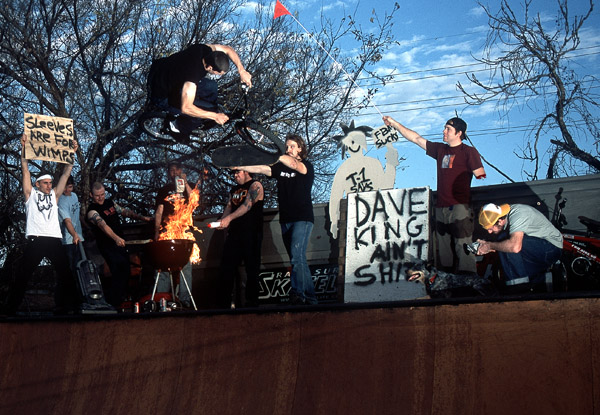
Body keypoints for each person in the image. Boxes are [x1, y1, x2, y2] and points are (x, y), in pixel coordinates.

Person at [382, 115, 486, 274]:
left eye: (448, 129)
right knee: (444, 253)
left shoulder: (468, 152)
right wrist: (394, 124)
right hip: (440, 209)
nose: (444, 131)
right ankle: (446, 286)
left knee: (463, 248)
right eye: (444, 128)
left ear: (459, 133)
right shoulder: (440, 150)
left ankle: (468, 285)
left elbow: (480, 173)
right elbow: (416, 138)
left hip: (460, 208)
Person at [237, 134, 317, 305]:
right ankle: (310, 298)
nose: (289, 149)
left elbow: (294, 164)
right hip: (286, 220)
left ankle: (298, 294)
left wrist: (278, 154)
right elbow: (262, 169)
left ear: (300, 149)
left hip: (302, 218)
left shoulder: (306, 166)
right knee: (298, 259)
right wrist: (239, 164)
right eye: (287, 146)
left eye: (292, 146)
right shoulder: (280, 168)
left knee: (297, 255)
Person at [5, 134, 79, 315]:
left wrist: (72, 153)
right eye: (45, 183)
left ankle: (73, 307)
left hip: (54, 240)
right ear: (37, 184)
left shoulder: (54, 196)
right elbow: (25, 171)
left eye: (49, 183)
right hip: (36, 240)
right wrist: (23, 149)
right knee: (24, 274)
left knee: (66, 274)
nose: (48, 185)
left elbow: (65, 174)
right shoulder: (31, 195)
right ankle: (9, 309)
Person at [148, 43, 253, 140]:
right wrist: (214, 116)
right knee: (200, 112)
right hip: (162, 94)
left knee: (211, 86)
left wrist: (242, 70)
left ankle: (209, 109)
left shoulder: (204, 50)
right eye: (218, 73)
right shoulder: (192, 76)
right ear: (210, 67)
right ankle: (176, 127)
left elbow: (227, 49)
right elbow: (187, 108)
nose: (219, 75)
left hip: (160, 68)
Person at [86, 182, 153, 308]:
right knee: (117, 271)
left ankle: (122, 302)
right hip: (108, 246)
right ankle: (112, 303)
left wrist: (144, 218)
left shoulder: (110, 203)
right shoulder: (91, 211)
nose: (100, 198)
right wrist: (116, 238)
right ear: (91, 195)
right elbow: (102, 225)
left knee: (127, 271)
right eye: (97, 196)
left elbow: (124, 212)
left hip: (120, 244)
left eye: (102, 194)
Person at [476, 203, 563, 292]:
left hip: (551, 248)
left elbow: (515, 247)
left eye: (490, 228)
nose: (489, 232)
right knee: (504, 245)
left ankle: (518, 289)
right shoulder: (504, 214)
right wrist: (488, 247)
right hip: (539, 248)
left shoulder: (518, 214)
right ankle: (543, 281)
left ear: (500, 221)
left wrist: (490, 245)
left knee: (506, 241)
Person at [214, 169, 264, 308]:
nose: (235, 175)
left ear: (247, 172)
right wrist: (222, 221)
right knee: (227, 267)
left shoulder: (256, 185)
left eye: (238, 172)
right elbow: (229, 207)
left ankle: (251, 303)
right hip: (235, 234)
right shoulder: (234, 189)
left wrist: (229, 218)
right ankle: (223, 304)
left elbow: (247, 206)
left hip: (251, 232)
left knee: (251, 269)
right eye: (234, 173)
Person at [154, 161, 195, 308]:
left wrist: (185, 182)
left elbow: (194, 201)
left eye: (177, 169)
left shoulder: (188, 185)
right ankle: (161, 300)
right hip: (167, 231)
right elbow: (158, 212)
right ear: (168, 173)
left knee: (186, 266)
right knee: (163, 266)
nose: (174, 172)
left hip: (183, 231)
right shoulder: (164, 190)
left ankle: (185, 301)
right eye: (171, 170)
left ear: (181, 170)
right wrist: (157, 232)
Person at [58, 175, 84, 274]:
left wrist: (86, 227)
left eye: (69, 187)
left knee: (81, 267)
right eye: (64, 186)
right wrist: (74, 235)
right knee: (70, 268)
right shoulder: (60, 200)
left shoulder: (74, 196)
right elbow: (67, 221)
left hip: (79, 237)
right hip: (68, 240)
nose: (66, 190)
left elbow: (77, 214)